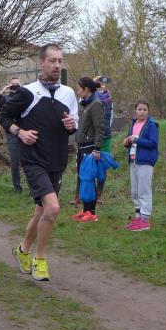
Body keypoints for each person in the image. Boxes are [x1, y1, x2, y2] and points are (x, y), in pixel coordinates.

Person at [0, 43, 78, 281]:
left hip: (57, 160)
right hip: (33, 160)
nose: (57, 65)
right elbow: (4, 116)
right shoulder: (27, 93)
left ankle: (22, 250)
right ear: (41, 63)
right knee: (53, 208)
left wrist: (72, 125)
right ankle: (40, 259)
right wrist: (20, 132)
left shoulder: (68, 93)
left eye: (60, 61)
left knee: (41, 211)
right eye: (52, 61)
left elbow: (74, 123)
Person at [70, 76, 105, 223]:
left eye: (79, 89)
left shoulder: (96, 104)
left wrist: (96, 149)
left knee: (89, 180)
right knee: (83, 179)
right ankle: (85, 210)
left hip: (90, 147)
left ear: (86, 89)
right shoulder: (85, 104)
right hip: (82, 147)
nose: (78, 91)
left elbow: (99, 128)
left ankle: (92, 213)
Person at [122, 100, 159, 231]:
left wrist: (136, 140)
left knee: (144, 191)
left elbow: (153, 143)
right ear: (135, 111)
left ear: (148, 111)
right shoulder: (133, 124)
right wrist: (127, 143)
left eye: (144, 110)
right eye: (139, 109)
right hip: (133, 161)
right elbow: (132, 143)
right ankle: (138, 218)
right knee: (135, 192)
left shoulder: (151, 125)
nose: (142, 112)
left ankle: (145, 220)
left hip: (145, 161)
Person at [0, 77, 24, 193]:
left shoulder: (25, 97)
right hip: (12, 133)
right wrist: (2, 91)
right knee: (15, 162)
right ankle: (17, 188)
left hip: (25, 132)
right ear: (9, 85)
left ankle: (33, 188)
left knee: (29, 160)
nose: (15, 86)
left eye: (17, 84)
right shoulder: (5, 99)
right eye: (13, 84)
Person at [94, 76, 114, 200]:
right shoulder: (90, 97)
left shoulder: (109, 99)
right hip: (92, 136)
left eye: (103, 82)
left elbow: (111, 118)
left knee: (102, 165)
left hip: (106, 136)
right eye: (99, 82)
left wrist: (106, 130)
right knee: (90, 163)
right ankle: (87, 193)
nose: (102, 84)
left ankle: (99, 194)